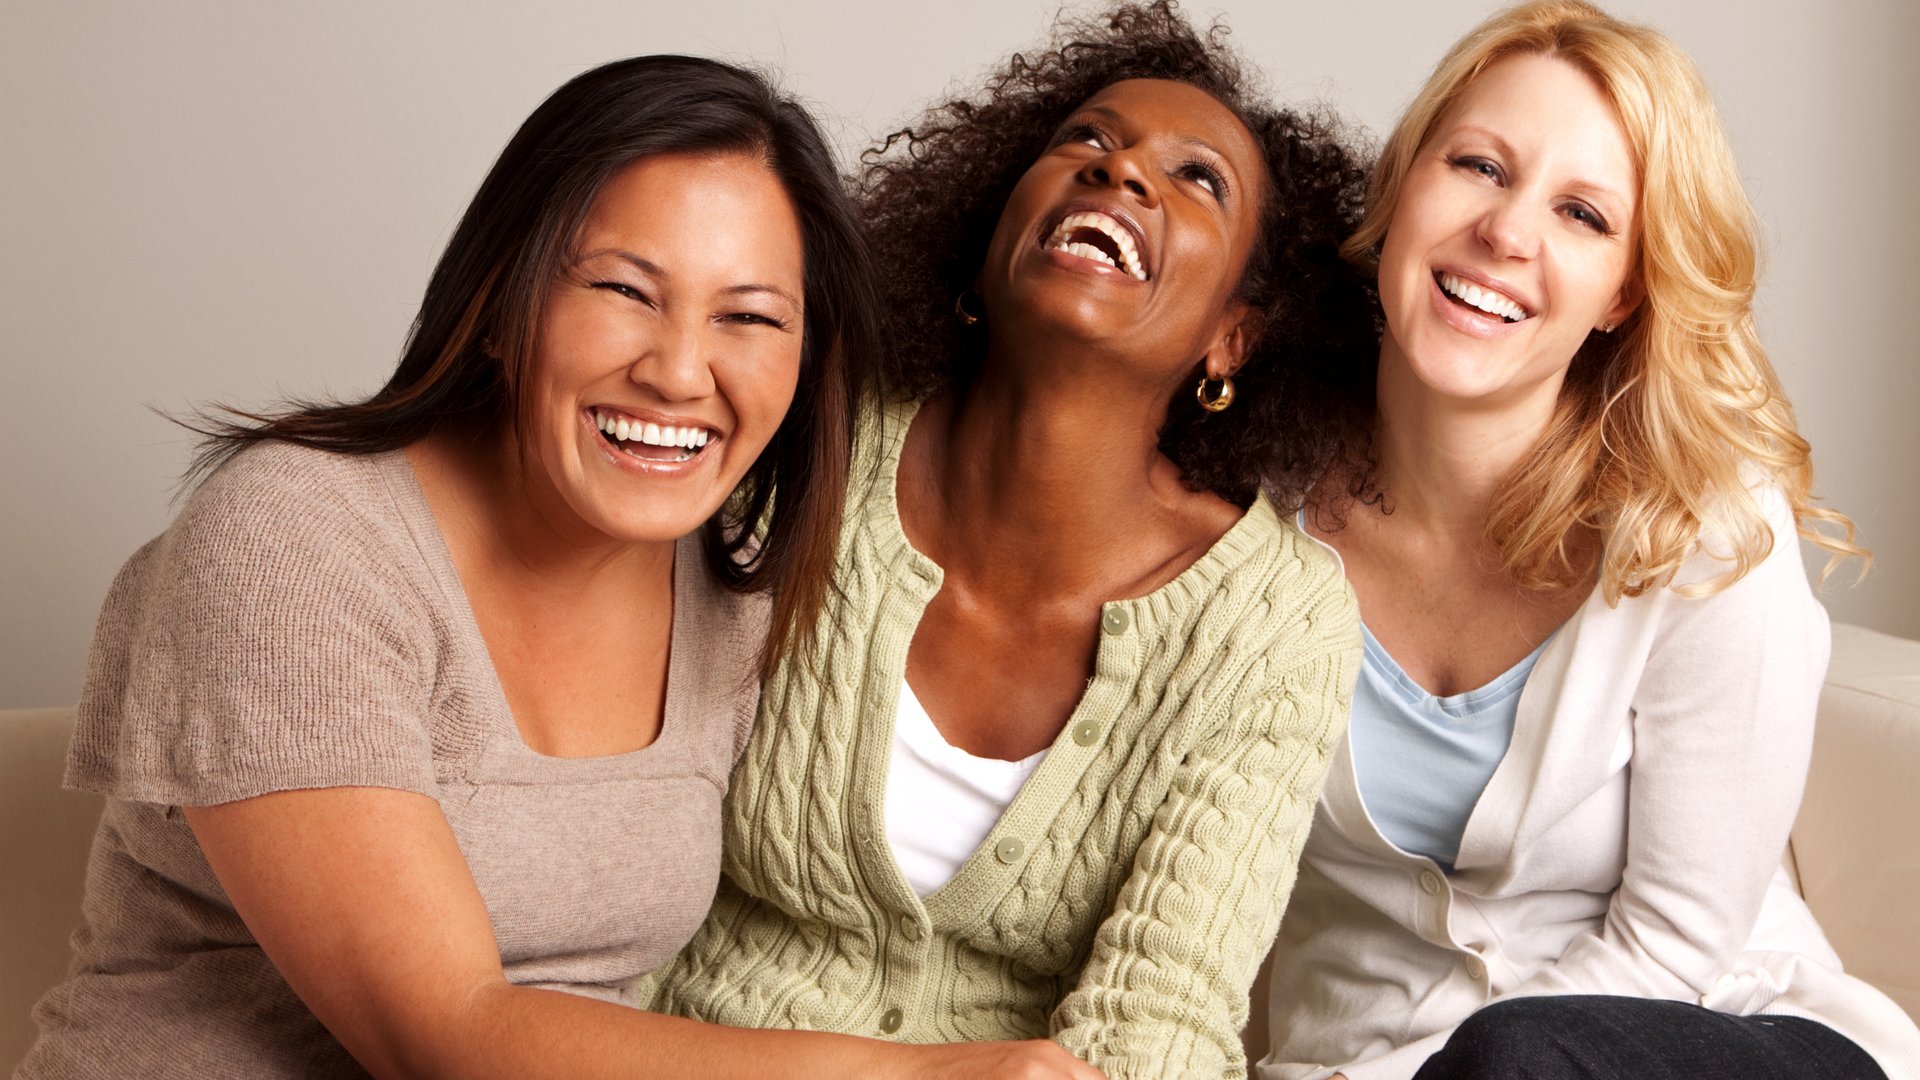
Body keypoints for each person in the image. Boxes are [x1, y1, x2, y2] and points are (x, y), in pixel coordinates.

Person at [18, 54, 966, 1079]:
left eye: (748, 317)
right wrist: (918, 1075)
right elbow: (446, 1035)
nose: (681, 372)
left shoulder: (736, 589)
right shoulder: (299, 540)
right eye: (624, 290)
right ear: (498, 305)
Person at [644, 4, 1377, 1078]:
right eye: (1085, 141)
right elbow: (618, 842)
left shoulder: (1273, 624)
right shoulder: (808, 442)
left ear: (1233, 336)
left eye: (1196, 178)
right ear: (986, 240)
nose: (1120, 172)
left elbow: (1162, 1016)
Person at [1254, 4, 1920, 1079]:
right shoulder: (1256, 506)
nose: (1508, 234)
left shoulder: (1703, 529)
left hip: (1724, 1036)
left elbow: (1674, 945)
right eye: (1478, 165)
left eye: (1582, 213)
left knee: (1513, 1060)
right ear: (1402, 187)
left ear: (1624, 295)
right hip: (1361, 1062)